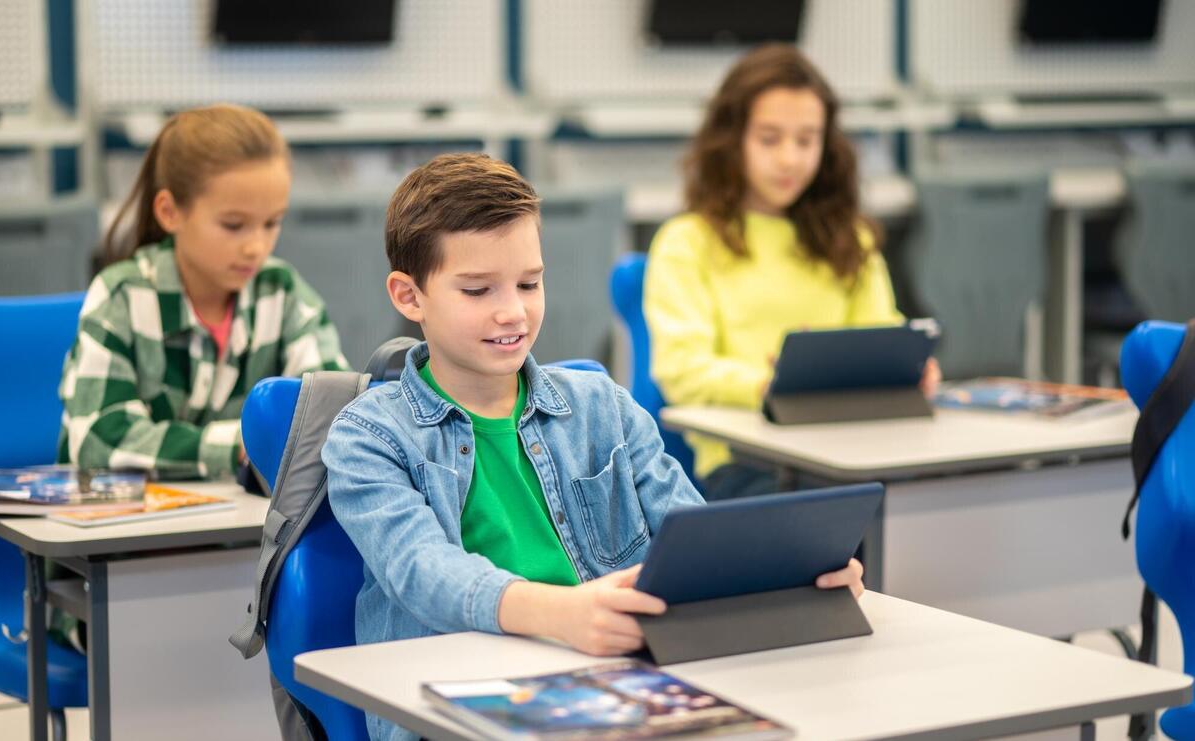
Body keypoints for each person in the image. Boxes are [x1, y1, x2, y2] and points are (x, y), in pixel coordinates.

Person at [321, 153, 865, 741]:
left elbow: (694, 536)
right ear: (409, 296)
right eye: (477, 290)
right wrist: (564, 613)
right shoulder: (367, 436)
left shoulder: (602, 407)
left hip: (617, 683)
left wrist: (786, 579)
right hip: (450, 706)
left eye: (530, 283)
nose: (513, 311)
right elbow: (422, 572)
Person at [643, 44, 940, 500]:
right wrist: (771, 386)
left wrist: (908, 371)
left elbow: (881, 333)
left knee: (933, 504)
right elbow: (682, 371)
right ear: (732, 140)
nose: (789, 158)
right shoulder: (688, 241)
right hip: (749, 462)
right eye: (769, 138)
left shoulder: (851, 240)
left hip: (856, 449)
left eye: (806, 140)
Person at [59, 103, 348, 480]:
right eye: (233, 225)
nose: (256, 247)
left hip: (243, 530)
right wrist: (240, 446)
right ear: (169, 212)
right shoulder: (121, 298)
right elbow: (98, 440)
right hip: (126, 535)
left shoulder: (284, 292)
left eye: (271, 223)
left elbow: (331, 416)